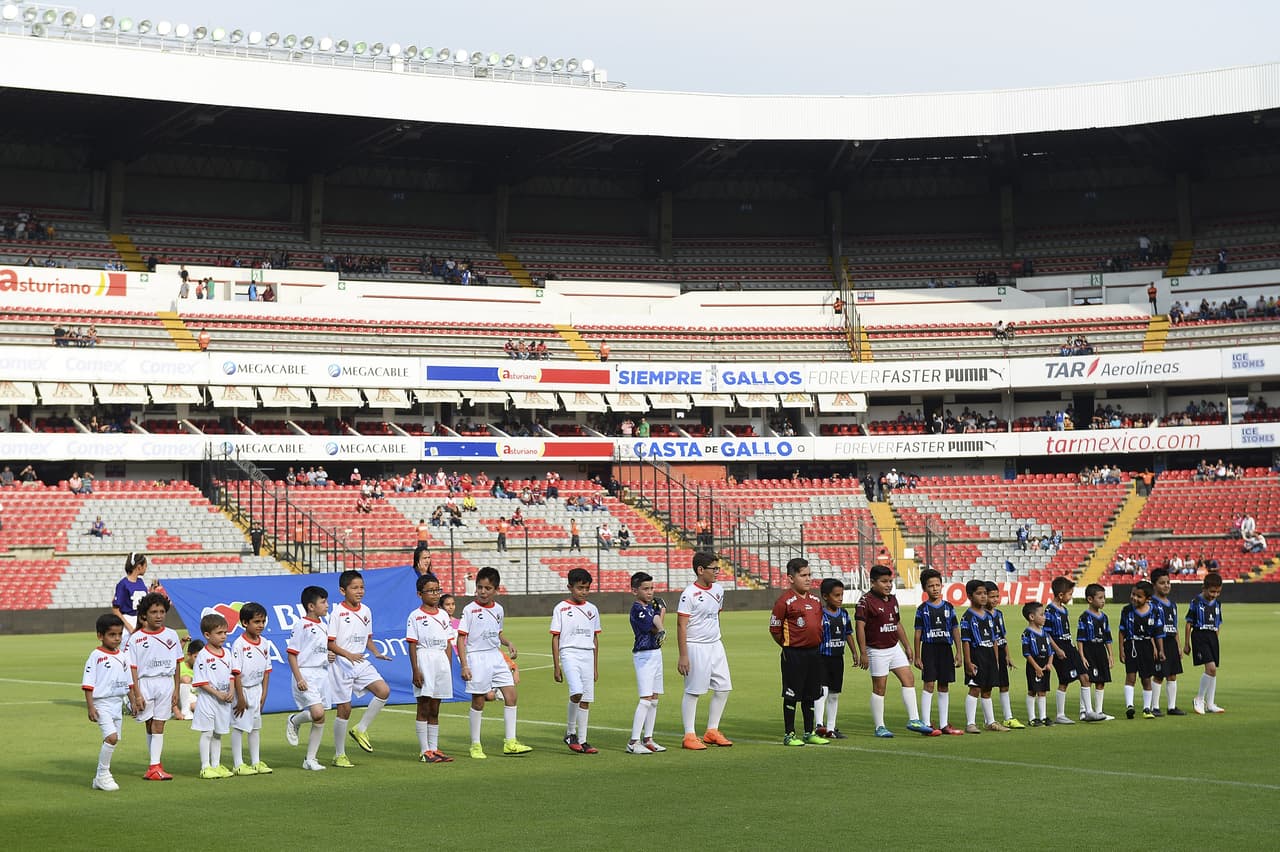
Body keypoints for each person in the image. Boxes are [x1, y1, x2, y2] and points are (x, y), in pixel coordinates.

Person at [457, 566, 532, 758]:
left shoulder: (498, 609)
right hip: (477, 657)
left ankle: (510, 742)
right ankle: (475, 744)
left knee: (511, 695)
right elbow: (461, 638)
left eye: (487, 588)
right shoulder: (469, 610)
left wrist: (508, 643)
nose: (483, 591)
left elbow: (497, 634)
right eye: (480, 587)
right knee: (479, 701)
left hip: (495, 655)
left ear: (496, 590)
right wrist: (464, 664)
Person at [854, 564, 930, 737]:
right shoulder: (865, 602)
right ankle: (879, 727)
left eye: (890, 581)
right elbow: (860, 627)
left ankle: (914, 720)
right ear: (873, 582)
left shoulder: (893, 599)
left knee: (909, 678)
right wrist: (863, 652)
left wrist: (907, 646)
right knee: (880, 688)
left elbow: (896, 623)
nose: (888, 585)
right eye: (884, 582)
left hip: (894, 647)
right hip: (876, 650)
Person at [328, 570, 392, 766]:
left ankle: (361, 728)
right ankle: (339, 754)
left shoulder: (366, 610)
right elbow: (330, 643)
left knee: (384, 691)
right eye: (354, 588)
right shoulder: (337, 612)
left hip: (360, 661)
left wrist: (375, 652)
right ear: (342, 590)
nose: (359, 591)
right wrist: (348, 655)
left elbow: (368, 639)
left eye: (362, 587)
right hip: (341, 664)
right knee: (344, 709)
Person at [676, 550, 734, 750]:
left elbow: (716, 615)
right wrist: (683, 655)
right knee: (694, 691)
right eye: (714, 568)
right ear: (700, 570)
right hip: (696, 646)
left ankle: (712, 731)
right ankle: (689, 735)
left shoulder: (718, 590)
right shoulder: (689, 594)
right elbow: (681, 625)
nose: (718, 572)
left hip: (715, 644)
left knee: (724, 687)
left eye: (718, 568)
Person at [769, 558, 828, 747]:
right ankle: (789, 734)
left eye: (809, 575)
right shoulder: (784, 602)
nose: (808, 579)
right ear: (791, 578)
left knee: (811, 694)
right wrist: (788, 645)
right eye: (803, 575)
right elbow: (775, 630)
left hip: (814, 653)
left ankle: (809, 732)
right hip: (794, 654)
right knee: (792, 694)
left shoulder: (816, 601)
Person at [124, 592, 183, 781]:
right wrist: (136, 694)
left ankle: (155, 766)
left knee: (159, 723)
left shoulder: (171, 634)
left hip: (165, 683)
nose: (159, 616)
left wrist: (176, 689)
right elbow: (131, 668)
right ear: (144, 615)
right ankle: (153, 765)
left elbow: (177, 663)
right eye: (154, 612)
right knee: (149, 724)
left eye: (162, 611)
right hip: (145, 683)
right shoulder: (136, 639)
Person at [82, 613, 141, 792]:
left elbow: (128, 681)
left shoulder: (123, 655)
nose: (117, 638)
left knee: (114, 739)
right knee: (111, 738)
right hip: (102, 704)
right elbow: (88, 683)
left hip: (117, 703)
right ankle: (102, 775)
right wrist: (90, 706)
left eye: (119, 634)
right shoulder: (95, 656)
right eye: (112, 635)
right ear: (101, 636)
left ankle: (99, 778)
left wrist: (133, 702)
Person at [551, 568, 602, 754]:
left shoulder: (592, 609)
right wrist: (557, 666)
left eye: (587, 588)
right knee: (577, 691)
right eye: (580, 588)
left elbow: (595, 639)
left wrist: (595, 667)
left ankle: (583, 740)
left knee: (586, 699)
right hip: (569, 652)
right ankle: (570, 732)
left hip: (587, 654)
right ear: (570, 587)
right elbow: (555, 637)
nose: (584, 592)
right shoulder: (561, 608)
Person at [407, 572, 456, 763]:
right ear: (420, 594)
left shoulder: (444, 615)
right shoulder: (415, 616)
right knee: (423, 706)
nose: (435, 594)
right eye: (430, 591)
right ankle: (424, 750)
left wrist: (448, 666)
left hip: (440, 660)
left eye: (437, 590)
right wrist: (415, 670)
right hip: (424, 657)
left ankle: (434, 749)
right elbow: (412, 644)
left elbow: (449, 643)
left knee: (435, 707)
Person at [1044, 576, 1104, 723]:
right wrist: (1057, 649)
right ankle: (1060, 715)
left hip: (1069, 646)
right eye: (1069, 594)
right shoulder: (1049, 610)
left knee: (1085, 676)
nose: (1070, 597)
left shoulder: (1064, 610)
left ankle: (1088, 712)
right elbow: (1046, 633)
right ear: (1060, 595)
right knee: (1064, 681)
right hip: (1059, 647)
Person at [285, 585, 332, 771]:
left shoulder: (324, 625)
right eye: (323, 602)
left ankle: (310, 760)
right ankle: (294, 720)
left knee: (320, 718)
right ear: (311, 606)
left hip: (322, 673)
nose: (327, 605)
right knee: (318, 712)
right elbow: (292, 654)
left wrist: (329, 656)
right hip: (306, 673)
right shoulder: (301, 625)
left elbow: (319, 649)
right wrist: (299, 678)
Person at [913, 568, 963, 735]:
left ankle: (944, 724)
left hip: (945, 649)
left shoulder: (949, 607)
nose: (935, 588)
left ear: (942, 586)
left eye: (937, 585)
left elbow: (955, 629)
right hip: (929, 649)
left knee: (944, 684)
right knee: (929, 684)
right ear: (924, 589)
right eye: (930, 586)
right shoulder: (922, 609)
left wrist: (959, 652)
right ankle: (926, 723)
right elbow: (918, 633)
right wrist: (917, 656)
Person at [229, 602, 275, 776]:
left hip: (256, 690)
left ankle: (256, 761)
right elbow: (236, 673)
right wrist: (240, 697)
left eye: (263, 621)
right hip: (244, 690)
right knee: (240, 726)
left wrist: (264, 694)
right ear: (245, 623)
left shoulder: (264, 643)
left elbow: (267, 670)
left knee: (255, 727)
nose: (261, 625)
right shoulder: (239, 645)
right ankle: (238, 763)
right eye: (257, 621)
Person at [191, 612, 235, 779]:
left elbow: (232, 675)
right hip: (208, 700)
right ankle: (205, 766)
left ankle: (216, 765)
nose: (223, 636)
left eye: (225, 632)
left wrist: (231, 691)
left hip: (224, 701)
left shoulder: (227, 653)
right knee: (207, 732)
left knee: (218, 733)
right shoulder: (203, 656)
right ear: (207, 635)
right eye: (219, 633)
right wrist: (217, 694)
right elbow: (201, 682)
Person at [627, 571, 667, 754]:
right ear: (635, 590)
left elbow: (657, 627)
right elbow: (651, 628)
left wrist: (659, 613)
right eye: (645, 589)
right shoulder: (638, 609)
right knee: (645, 700)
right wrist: (661, 614)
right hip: (644, 655)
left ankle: (648, 738)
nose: (650, 592)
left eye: (652, 588)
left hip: (655, 653)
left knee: (654, 699)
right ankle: (633, 742)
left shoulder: (650, 607)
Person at [959, 580, 1006, 733]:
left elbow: (994, 640)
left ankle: (990, 722)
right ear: (970, 596)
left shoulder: (989, 616)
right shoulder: (967, 617)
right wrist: (968, 662)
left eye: (985, 593)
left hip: (989, 656)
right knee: (975, 688)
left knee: (987, 689)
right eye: (979, 593)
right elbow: (965, 641)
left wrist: (996, 660)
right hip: (976, 655)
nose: (983, 596)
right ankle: (970, 723)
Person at [811, 578, 854, 739]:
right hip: (822, 657)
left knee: (835, 693)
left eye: (842, 595)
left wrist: (855, 652)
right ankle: (819, 725)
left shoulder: (844, 614)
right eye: (837, 595)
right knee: (822, 691)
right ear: (826, 596)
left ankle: (831, 727)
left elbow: (848, 633)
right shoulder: (819, 614)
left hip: (838, 657)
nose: (840, 598)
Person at [1119, 580, 1165, 719]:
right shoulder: (1127, 610)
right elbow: (1122, 631)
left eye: (1139, 596)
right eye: (1133, 594)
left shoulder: (1154, 611)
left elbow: (1158, 633)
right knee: (1131, 676)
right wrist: (1121, 649)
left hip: (1147, 646)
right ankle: (1130, 706)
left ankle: (1146, 708)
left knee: (1146, 678)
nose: (1134, 598)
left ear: (1148, 598)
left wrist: (1160, 649)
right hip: (1131, 645)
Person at [984, 580, 1024, 729]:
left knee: (1004, 685)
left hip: (1000, 651)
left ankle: (1008, 717)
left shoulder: (999, 614)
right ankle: (989, 720)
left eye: (997, 596)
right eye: (991, 596)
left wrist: (1008, 655)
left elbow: (1002, 635)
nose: (995, 599)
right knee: (987, 687)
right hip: (988, 653)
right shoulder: (982, 615)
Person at [1184, 572, 1225, 715]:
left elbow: (1218, 622)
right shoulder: (1196, 602)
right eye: (1212, 591)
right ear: (1204, 588)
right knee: (1211, 668)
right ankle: (1199, 698)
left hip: (1212, 637)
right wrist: (1187, 643)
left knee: (1213, 671)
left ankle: (1211, 703)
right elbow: (1189, 623)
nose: (1214, 595)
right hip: (1199, 635)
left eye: (1218, 592)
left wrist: (1216, 637)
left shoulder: (1218, 604)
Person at [1149, 568, 1186, 716]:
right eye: (1162, 583)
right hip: (1159, 642)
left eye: (1168, 582)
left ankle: (1171, 707)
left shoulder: (1172, 605)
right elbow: (1150, 628)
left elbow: (1175, 626)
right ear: (1154, 585)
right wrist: (1154, 647)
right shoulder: (1152, 604)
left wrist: (1178, 645)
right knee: (1159, 675)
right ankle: (1154, 706)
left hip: (1171, 641)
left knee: (1172, 674)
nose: (1166, 585)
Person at [1076, 583, 1115, 721]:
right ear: (1090, 599)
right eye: (1100, 598)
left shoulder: (1104, 617)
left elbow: (1108, 638)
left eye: (1104, 597)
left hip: (1101, 651)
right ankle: (1084, 711)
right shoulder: (1084, 617)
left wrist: (1110, 655)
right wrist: (1082, 656)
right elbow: (1080, 639)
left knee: (1101, 681)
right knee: (1088, 680)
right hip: (1089, 650)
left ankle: (1099, 712)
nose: (1103, 600)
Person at [1020, 602, 1059, 727]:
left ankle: (1043, 717)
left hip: (1045, 664)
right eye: (1042, 614)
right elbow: (1026, 653)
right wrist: (1036, 667)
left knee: (1043, 691)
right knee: (1032, 690)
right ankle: (1032, 718)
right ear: (1032, 617)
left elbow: (1050, 651)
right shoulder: (1027, 633)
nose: (1044, 617)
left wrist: (1049, 663)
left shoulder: (1045, 634)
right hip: (1034, 665)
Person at [111, 553, 148, 633]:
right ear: (139, 567)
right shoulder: (123, 584)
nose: (146, 568)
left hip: (141, 621)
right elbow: (115, 609)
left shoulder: (141, 582)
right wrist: (129, 627)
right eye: (145, 565)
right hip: (128, 621)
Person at [178, 638, 203, 720]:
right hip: (179, 698)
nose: (199, 660)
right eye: (196, 657)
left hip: (196, 696)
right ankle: (185, 711)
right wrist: (183, 642)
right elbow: (175, 654)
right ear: (189, 655)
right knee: (186, 680)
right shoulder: (180, 665)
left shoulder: (203, 668)